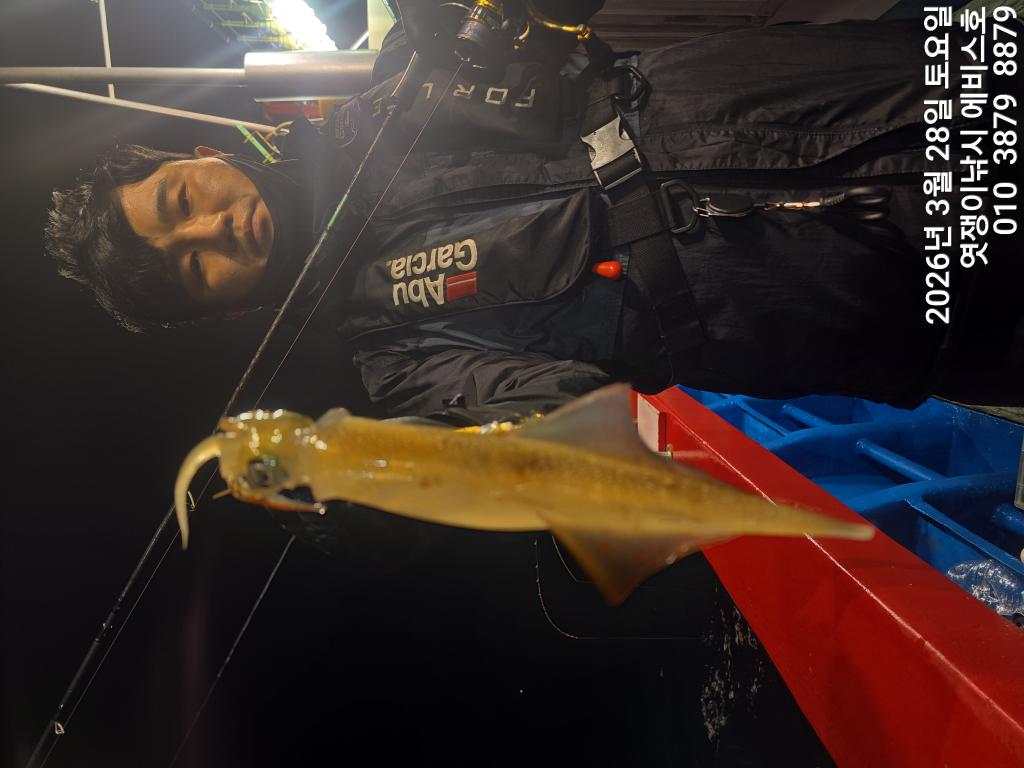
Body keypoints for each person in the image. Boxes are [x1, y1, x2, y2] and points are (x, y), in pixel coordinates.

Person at [45, 11, 1024, 425]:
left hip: (860, 86)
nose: (212, 231)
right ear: (221, 307)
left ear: (203, 156)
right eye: (191, 266)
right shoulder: (396, 364)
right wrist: (400, 489)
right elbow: (568, 425)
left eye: (182, 203)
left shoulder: (399, 82)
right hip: (898, 308)